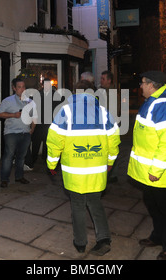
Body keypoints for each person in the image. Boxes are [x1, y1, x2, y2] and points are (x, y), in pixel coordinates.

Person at [46, 80, 121, 256]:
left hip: (74, 171)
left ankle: (80, 242)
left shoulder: (65, 112)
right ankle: (103, 238)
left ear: (75, 93)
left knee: (77, 206)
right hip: (97, 170)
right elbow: (114, 141)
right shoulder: (103, 113)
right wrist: (110, 162)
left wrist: (51, 164)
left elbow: (54, 141)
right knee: (95, 203)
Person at [127, 70, 166, 260]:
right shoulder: (152, 103)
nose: (140, 86)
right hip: (149, 172)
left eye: (143, 83)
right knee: (153, 205)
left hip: (161, 173)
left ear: (152, 85)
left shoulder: (164, 106)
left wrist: (156, 170)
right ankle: (158, 236)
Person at [0, 77, 37, 188]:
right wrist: (13, 115)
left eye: (23, 87)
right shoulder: (7, 100)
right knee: (9, 156)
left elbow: (34, 116)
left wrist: (32, 129)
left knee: (21, 157)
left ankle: (19, 177)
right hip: (11, 132)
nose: (22, 89)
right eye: (19, 87)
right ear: (14, 88)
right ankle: (4, 179)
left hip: (25, 133)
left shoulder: (30, 101)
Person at [25, 78, 58, 169]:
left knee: (48, 142)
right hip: (39, 122)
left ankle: (46, 159)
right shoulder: (37, 94)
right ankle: (33, 159)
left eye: (49, 84)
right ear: (43, 85)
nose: (48, 86)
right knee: (36, 142)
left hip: (49, 122)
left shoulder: (55, 95)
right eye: (46, 84)